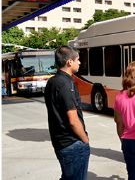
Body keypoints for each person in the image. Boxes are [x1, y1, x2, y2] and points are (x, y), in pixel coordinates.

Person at [44, 45, 90, 180]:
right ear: (69, 62)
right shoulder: (65, 84)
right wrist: (85, 139)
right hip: (72, 143)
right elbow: (73, 120)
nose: (80, 62)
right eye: (78, 59)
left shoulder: (52, 81)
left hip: (60, 142)